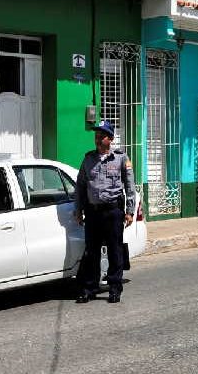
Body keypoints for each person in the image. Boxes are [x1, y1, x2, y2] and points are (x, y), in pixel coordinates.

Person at [74, 120, 135, 304]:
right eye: (96, 136)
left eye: (102, 136)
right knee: (91, 252)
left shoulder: (120, 158)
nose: (98, 139)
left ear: (110, 139)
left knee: (115, 251)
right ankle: (90, 287)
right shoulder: (88, 159)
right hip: (93, 213)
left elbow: (129, 186)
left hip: (113, 212)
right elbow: (80, 186)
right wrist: (79, 210)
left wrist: (130, 211)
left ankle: (115, 288)